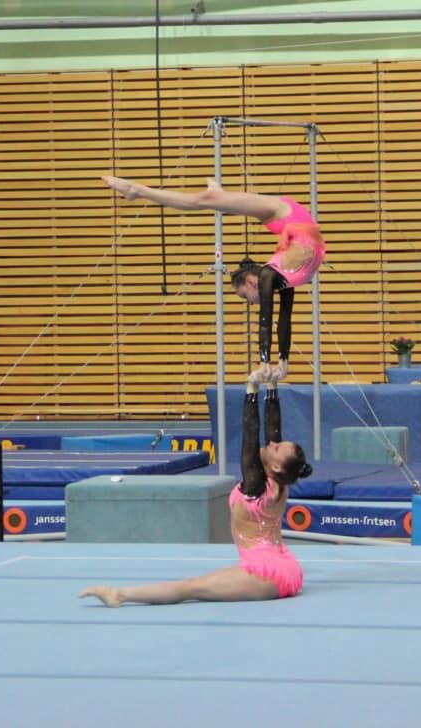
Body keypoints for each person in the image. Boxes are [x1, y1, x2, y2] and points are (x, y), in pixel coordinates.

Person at [79, 379, 312, 607]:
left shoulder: (258, 488)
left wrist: (251, 390)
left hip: (267, 573)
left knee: (190, 587)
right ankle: (119, 594)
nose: (272, 443)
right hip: (284, 565)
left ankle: (118, 595)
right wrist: (271, 385)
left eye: (277, 447)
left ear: (277, 466)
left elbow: (249, 438)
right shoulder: (279, 482)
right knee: (192, 586)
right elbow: (273, 430)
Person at [102, 175, 326, 382]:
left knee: (208, 201)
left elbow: (275, 319)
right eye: (246, 298)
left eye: (245, 298)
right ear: (251, 281)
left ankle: (154, 191)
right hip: (290, 221)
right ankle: (140, 190)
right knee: (204, 201)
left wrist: (272, 363)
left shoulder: (277, 273)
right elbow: (274, 319)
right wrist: (275, 363)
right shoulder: (277, 275)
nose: (250, 303)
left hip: (291, 223)